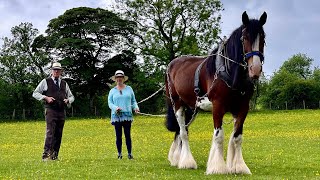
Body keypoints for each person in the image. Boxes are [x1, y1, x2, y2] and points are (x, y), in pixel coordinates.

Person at [32, 62, 74, 161]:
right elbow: (35, 93)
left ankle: (55, 155)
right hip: (50, 110)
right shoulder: (45, 81)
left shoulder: (64, 83)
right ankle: (46, 155)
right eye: (54, 69)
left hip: (61, 111)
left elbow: (71, 96)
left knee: (59, 133)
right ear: (51, 71)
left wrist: (68, 100)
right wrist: (45, 97)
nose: (56, 71)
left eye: (58, 70)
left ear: (61, 71)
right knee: (50, 132)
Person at [108, 70, 139, 160]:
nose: (119, 79)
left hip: (127, 116)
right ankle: (119, 154)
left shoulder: (129, 89)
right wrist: (115, 108)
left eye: (121, 77)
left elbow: (133, 101)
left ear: (123, 78)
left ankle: (129, 154)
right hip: (116, 116)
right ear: (115, 79)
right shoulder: (112, 91)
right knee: (118, 136)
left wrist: (135, 108)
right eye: (117, 77)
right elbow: (110, 103)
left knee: (127, 135)